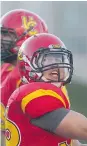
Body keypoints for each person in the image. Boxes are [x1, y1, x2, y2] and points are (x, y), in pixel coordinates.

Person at [0, 9, 49, 145]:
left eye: (6, 35)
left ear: (26, 38)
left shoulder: (34, 77)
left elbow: (58, 124)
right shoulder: (6, 69)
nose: (1, 39)